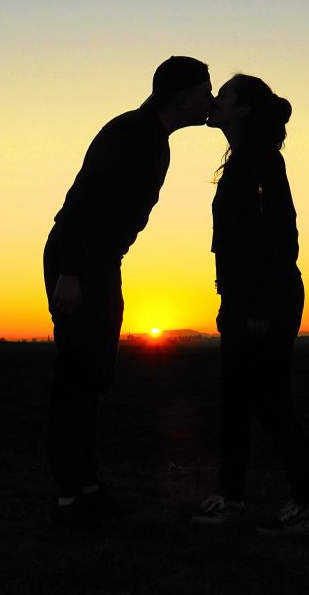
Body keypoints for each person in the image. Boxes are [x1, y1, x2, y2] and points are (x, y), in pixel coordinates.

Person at [44, 56, 213, 524]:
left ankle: (87, 487)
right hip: (79, 261)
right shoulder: (132, 134)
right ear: (182, 98)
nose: (210, 100)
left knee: (92, 375)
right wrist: (73, 273)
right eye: (205, 92)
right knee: (77, 377)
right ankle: (70, 499)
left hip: (97, 261)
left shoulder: (150, 136)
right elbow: (86, 200)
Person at [191, 74, 309, 534]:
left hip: (266, 301)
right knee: (235, 400)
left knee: (270, 403)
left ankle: (305, 502)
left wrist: (258, 306)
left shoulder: (260, 161)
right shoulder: (244, 161)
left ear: (241, 110)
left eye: (222, 95)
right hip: (245, 298)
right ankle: (232, 498)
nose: (214, 100)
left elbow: (282, 237)